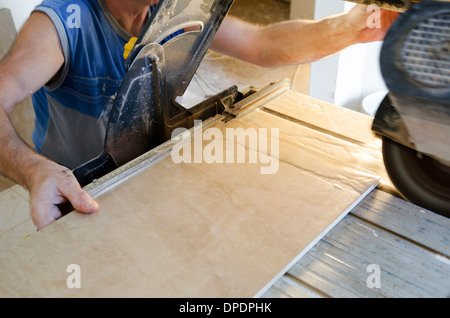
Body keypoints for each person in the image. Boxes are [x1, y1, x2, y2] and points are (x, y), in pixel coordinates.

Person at [0, 0, 398, 230]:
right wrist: (35, 172)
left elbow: (262, 45)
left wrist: (349, 27)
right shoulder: (61, 24)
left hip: (147, 178)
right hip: (79, 198)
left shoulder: (170, 9)